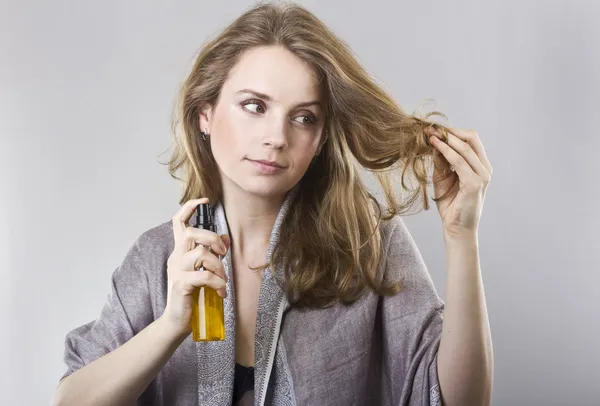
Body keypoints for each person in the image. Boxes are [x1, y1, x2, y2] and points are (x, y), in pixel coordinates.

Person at [52, 2, 494, 406]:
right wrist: (170, 324)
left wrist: (461, 238)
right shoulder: (157, 258)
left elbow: (458, 401)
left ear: (320, 139)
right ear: (205, 112)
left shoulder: (368, 245)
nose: (277, 138)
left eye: (304, 117)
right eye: (253, 106)